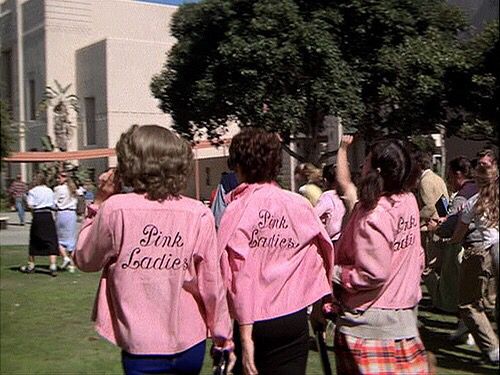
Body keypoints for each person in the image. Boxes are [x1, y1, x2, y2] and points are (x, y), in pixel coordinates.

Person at [74, 125, 233, 374]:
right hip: (189, 342)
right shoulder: (197, 213)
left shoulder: (115, 210)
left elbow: (85, 259)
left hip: (142, 345)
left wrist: (98, 202)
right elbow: (212, 285)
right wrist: (223, 336)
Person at [218, 128, 333, 375]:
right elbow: (319, 256)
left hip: (253, 321)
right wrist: (320, 302)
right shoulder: (298, 204)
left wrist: (245, 336)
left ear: (240, 165)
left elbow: (237, 274)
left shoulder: (237, 210)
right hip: (293, 317)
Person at [332, 138, 431, 374]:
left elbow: (373, 273)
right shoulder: (407, 202)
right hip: (402, 316)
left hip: (370, 325)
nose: (361, 166)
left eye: (365, 160)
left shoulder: (374, 214)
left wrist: (333, 272)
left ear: (375, 169)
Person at [449, 164, 499, 365]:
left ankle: (492, 348)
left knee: (468, 303)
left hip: (486, 252)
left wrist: (449, 240)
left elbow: (458, 234)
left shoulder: (474, 203)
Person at [20, 172, 59, 277]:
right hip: (48, 214)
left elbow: (30, 205)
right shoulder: (49, 190)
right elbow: (54, 204)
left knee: (34, 239)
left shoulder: (32, 191)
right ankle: (53, 265)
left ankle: (31, 265)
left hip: (38, 215)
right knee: (51, 239)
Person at [314, 164, 346, 243]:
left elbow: (314, 215)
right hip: (344, 237)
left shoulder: (327, 196)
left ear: (325, 181)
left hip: (332, 240)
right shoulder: (346, 196)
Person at [54, 172, 78, 272]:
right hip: (72, 214)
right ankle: (72, 264)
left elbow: (54, 202)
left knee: (59, 238)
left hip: (62, 213)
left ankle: (65, 257)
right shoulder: (73, 189)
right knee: (71, 238)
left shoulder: (58, 189)